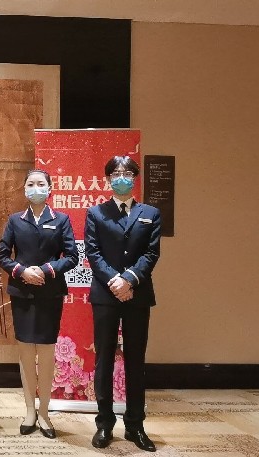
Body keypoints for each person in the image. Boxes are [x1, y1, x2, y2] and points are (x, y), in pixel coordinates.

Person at [85, 156, 161, 452]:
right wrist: (115, 282)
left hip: (137, 294)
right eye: (115, 173)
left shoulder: (150, 213)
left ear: (135, 177)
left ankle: (135, 425)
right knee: (103, 358)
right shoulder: (96, 213)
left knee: (135, 360)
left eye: (127, 173)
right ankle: (104, 423)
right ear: (107, 179)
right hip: (106, 295)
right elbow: (93, 252)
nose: (121, 177)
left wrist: (129, 279)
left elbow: (151, 253)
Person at [0, 169, 78, 439]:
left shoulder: (61, 219)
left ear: (50, 188)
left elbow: (72, 256)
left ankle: (44, 413)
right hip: (22, 293)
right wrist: (21, 271)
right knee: (25, 352)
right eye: (30, 184)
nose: (35, 188)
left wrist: (46, 269)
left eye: (40, 184)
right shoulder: (15, 220)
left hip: (50, 293)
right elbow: (2, 254)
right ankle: (29, 410)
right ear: (24, 189)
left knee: (45, 352)